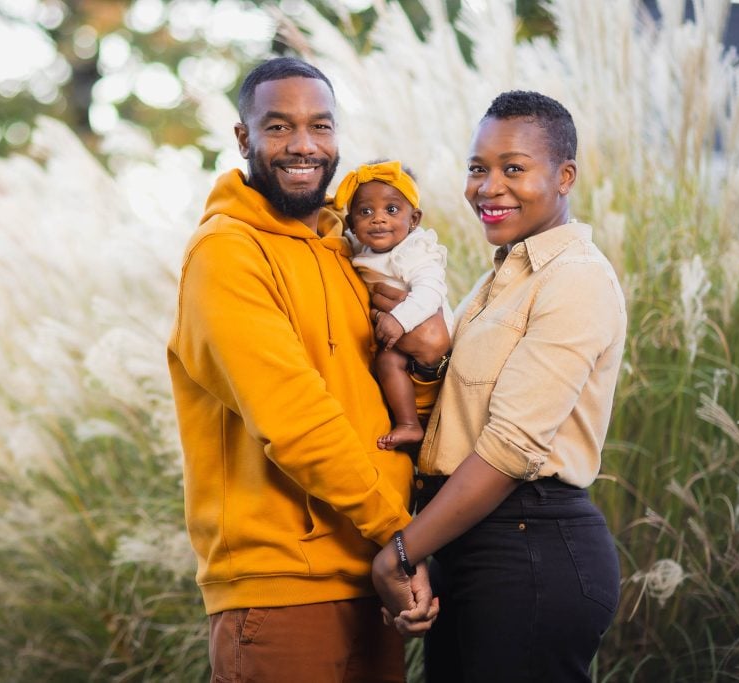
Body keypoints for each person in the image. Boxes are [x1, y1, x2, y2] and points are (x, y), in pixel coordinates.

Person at [166, 57, 446, 683]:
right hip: (281, 591)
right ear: (244, 139)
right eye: (279, 127)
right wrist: (403, 537)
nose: (304, 145)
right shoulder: (226, 255)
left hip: (375, 582)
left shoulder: (348, 256)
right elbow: (294, 420)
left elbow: (388, 400)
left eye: (321, 126)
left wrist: (428, 365)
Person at [371, 90, 627, 682]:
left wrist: (402, 552)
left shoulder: (575, 280)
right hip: (472, 545)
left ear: (564, 177)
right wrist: (429, 357)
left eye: (514, 168)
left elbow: (511, 447)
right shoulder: (496, 283)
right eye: (477, 168)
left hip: (531, 551)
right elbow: (459, 415)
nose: (488, 187)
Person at [333, 160, 453, 450]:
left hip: (423, 325)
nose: (378, 219)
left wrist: (400, 320)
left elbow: (431, 291)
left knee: (388, 362)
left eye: (391, 210)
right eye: (365, 211)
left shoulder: (414, 252)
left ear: (414, 219)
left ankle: (410, 425)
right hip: (394, 334)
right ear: (351, 224)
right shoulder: (362, 247)